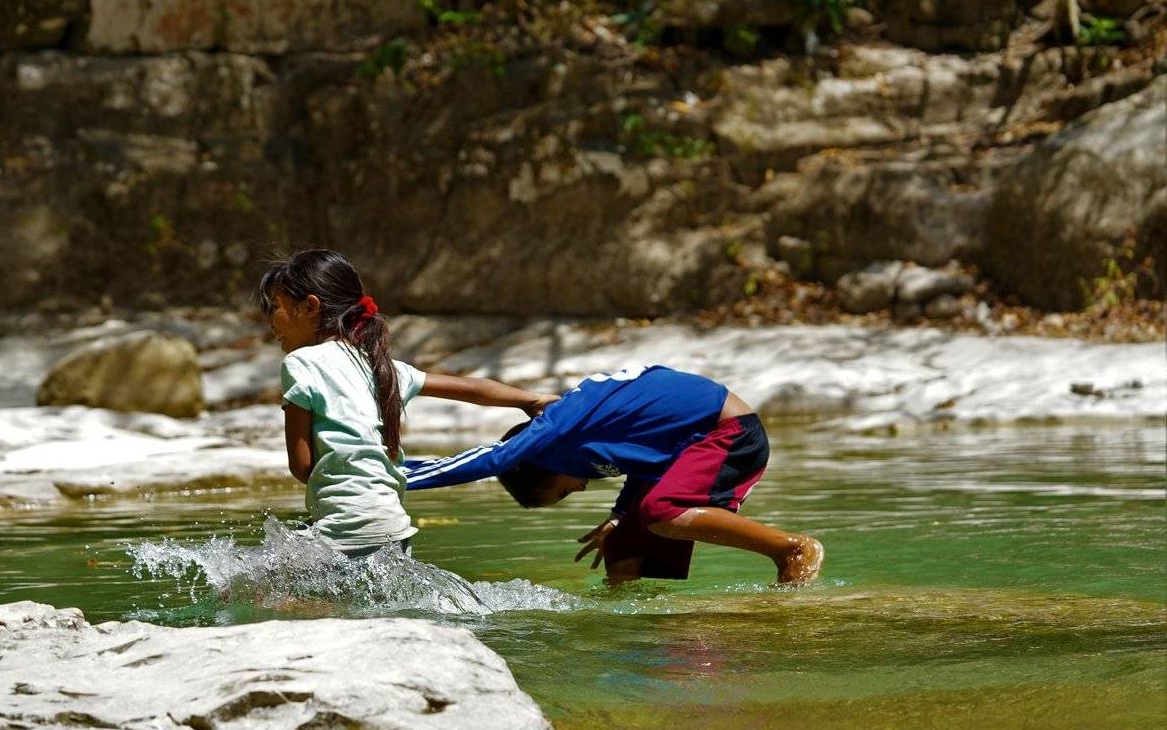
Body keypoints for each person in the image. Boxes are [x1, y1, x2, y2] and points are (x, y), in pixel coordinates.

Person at [402, 364, 824, 585]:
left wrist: (397, 476)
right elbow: (650, 456)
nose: (582, 487)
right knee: (621, 550)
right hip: (692, 440)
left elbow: (491, 460)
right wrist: (620, 515)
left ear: (543, 463)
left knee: (662, 511)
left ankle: (790, 549)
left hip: (728, 433)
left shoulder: (556, 428)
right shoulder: (577, 433)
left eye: (565, 492)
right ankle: (649, 634)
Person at [259, 249, 553, 558]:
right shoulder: (383, 366)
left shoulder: (301, 363)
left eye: (275, 306)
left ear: (309, 306)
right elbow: (473, 389)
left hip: (343, 530)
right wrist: (532, 400)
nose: (270, 322)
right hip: (395, 528)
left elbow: (302, 467)